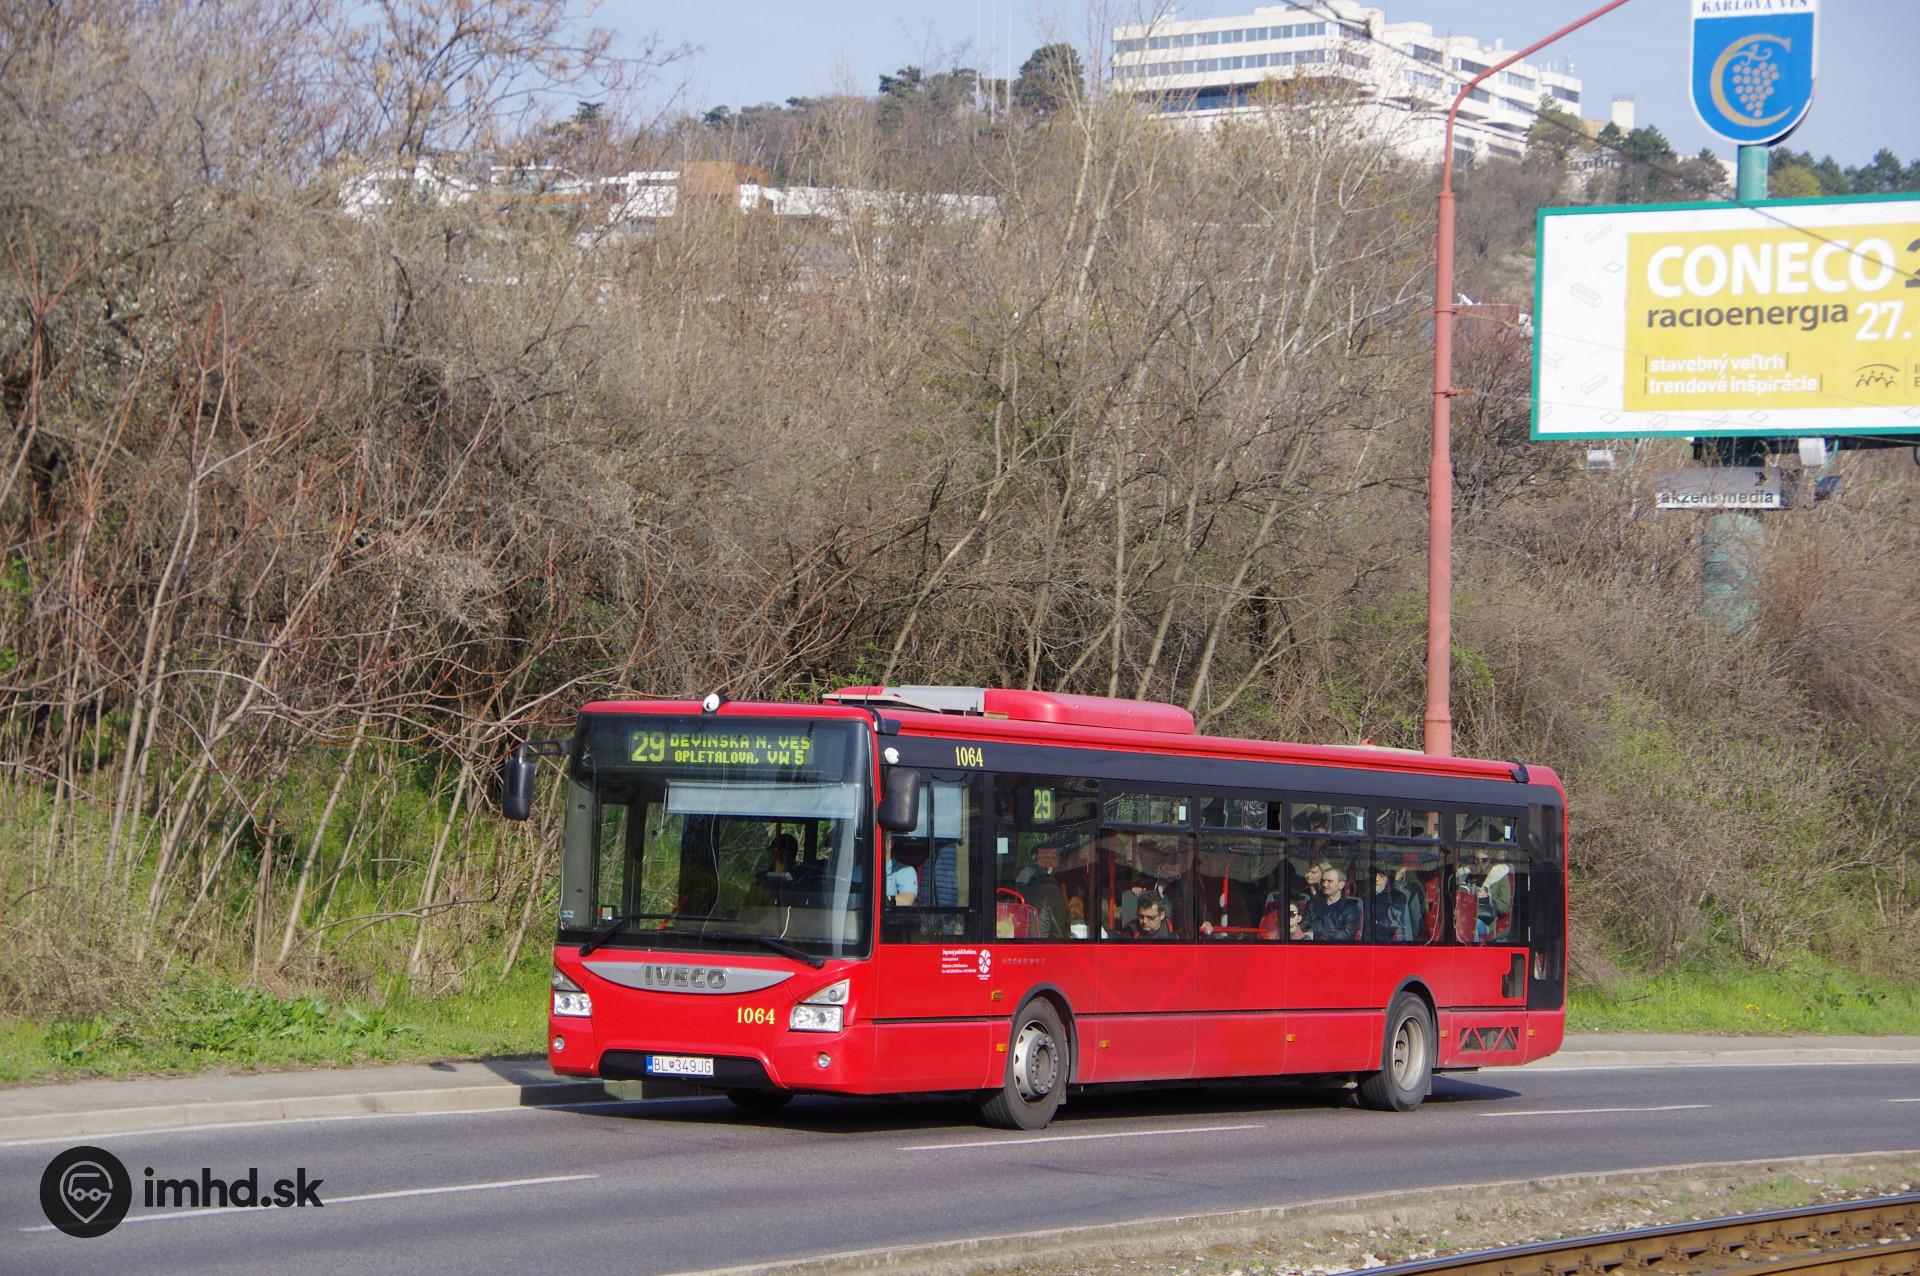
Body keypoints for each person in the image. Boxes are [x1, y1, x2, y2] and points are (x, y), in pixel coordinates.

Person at [1015, 842, 1071, 939]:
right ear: (1036, 860)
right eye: (1047, 858)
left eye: (1054, 858)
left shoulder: (1022, 878)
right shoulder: (1051, 889)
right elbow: (1059, 931)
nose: (1051, 862)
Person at [1298, 865, 1362, 941]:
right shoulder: (1312, 904)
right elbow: (1303, 927)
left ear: (1341, 885)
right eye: (1323, 881)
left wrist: (1316, 935)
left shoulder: (1351, 908)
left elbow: (1347, 934)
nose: (1324, 884)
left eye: (1329, 881)